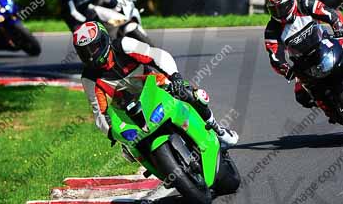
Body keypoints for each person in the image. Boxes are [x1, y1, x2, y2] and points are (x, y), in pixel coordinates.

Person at [73, 20, 239, 149]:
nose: (90, 55)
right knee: (128, 148)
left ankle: (218, 130)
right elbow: (100, 113)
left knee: (191, 94)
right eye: (85, 52)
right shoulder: (89, 77)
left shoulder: (124, 45)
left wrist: (175, 78)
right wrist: (112, 132)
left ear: (104, 40)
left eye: (93, 48)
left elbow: (157, 56)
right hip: (129, 110)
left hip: (156, 86)